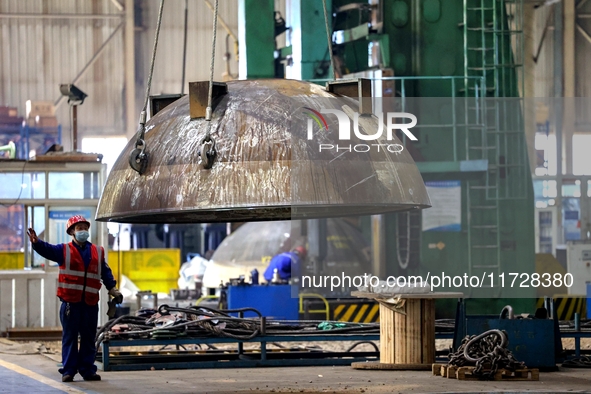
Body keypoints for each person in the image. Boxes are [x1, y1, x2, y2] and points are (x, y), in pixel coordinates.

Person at [27, 215, 122, 383]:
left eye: (85, 228)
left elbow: (105, 271)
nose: (83, 231)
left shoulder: (97, 251)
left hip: (90, 303)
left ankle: (87, 370)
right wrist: (36, 243)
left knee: (88, 338)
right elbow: (47, 249)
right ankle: (69, 371)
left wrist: (112, 288)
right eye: (79, 229)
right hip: (71, 303)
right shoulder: (64, 250)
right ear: (71, 231)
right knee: (70, 337)